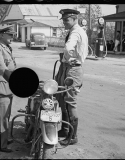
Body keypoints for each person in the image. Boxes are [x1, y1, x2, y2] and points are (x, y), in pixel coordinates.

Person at [55, 9, 88, 145]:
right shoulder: (74, 30)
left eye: (66, 20)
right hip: (68, 68)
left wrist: (68, 59)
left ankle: (73, 136)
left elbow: (68, 48)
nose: (64, 22)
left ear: (75, 19)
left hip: (72, 70)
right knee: (62, 98)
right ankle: (65, 129)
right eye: (63, 20)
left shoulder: (76, 31)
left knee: (70, 102)